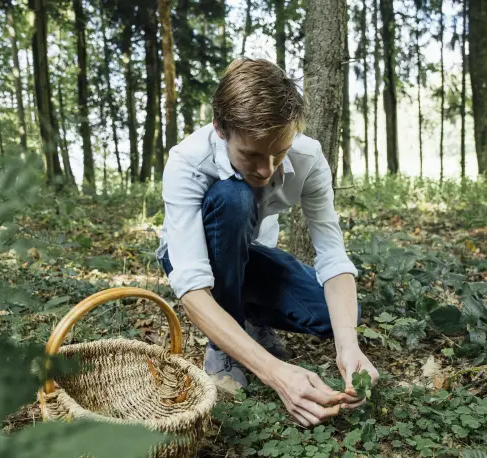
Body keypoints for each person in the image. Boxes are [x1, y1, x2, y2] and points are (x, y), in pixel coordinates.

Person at [156, 58, 379, 427]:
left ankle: (247, 319)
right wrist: (275, 372)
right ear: (221, 129)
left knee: (340, 316)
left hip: (252, 257)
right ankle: (224, 349)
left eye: (280, 152)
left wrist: (348, 346)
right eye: (252, 155)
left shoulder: (309, 158)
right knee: (234, 198)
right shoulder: (187, 162)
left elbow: (333, 256)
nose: (267, 169)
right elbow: (192, 288)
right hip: (197, 260)